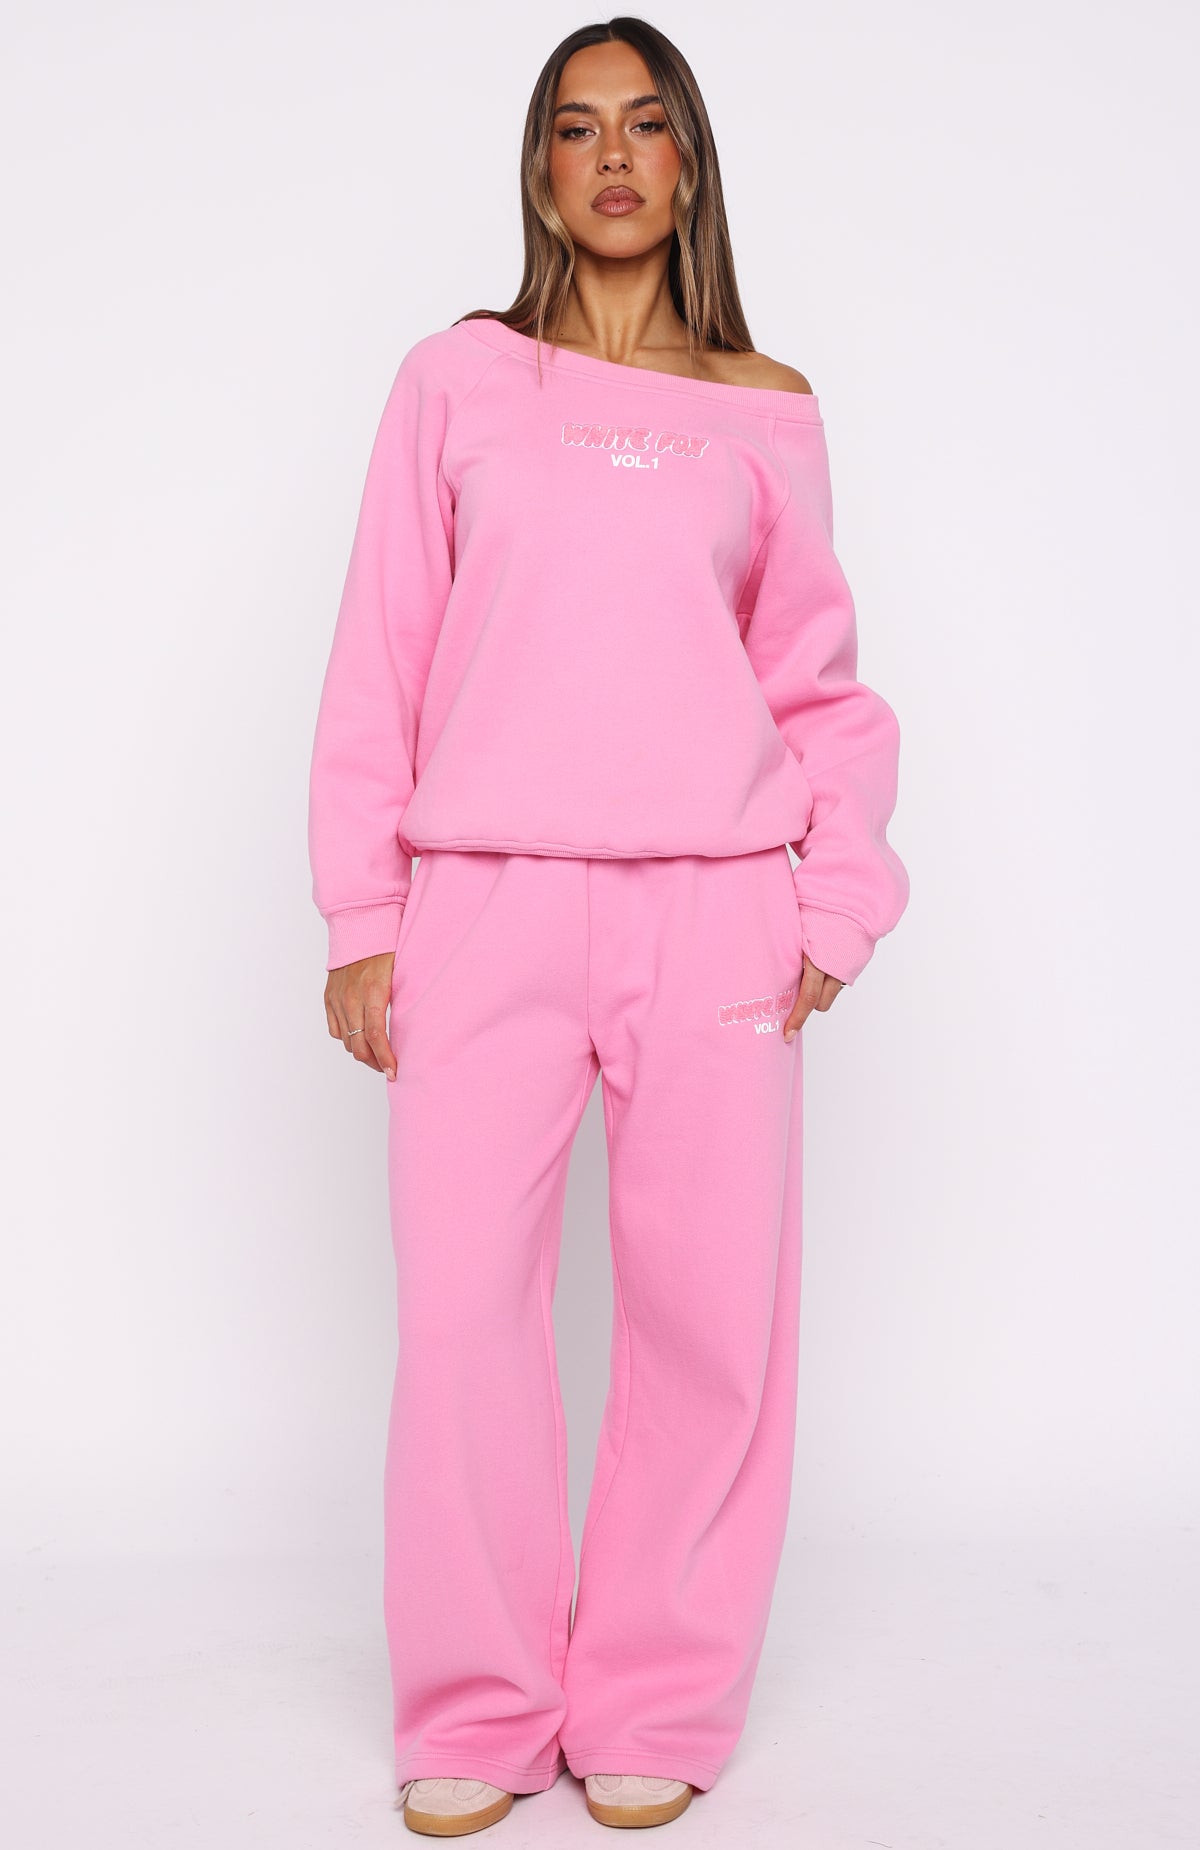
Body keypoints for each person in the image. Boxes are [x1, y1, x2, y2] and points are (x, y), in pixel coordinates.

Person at [307, 17, 909, 1839]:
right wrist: (363, 907)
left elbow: (817, 682)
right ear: (541, 169)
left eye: (648, 124)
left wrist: (834, 898)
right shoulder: (456, 382)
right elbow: (382, 652)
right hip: (483, 903)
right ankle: (478, 1704)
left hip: (718, 908)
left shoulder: (767, 404)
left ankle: (653, 1690)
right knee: (464, 1316)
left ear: (690, 159)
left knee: (710, 1320)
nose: (617, 156)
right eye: (579, 129)